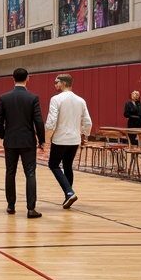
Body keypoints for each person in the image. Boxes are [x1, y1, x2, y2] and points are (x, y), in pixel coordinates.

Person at [0, 67, 46, 218]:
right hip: (28, 141)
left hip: (10, 141)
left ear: (13, 78)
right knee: (30, 173)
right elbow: (38, 121)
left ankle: (11, 206)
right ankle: (31, 208)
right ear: (27, 78)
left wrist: (4, 135)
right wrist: (42, 140)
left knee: (10, 172)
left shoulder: (4, 97)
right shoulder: (33, 98)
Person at [44, 73, 92, 208]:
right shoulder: (80, 100)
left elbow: (51, 121)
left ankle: (69, 192)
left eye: (56, 82)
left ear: (64, 83)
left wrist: (46, 137)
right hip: (74, 140)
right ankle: (68, 196)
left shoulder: (56, 99)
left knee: (53, 165)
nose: (55, 85)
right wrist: (85, 135)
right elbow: (87, 121)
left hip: (60, 139)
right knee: (67, 167)